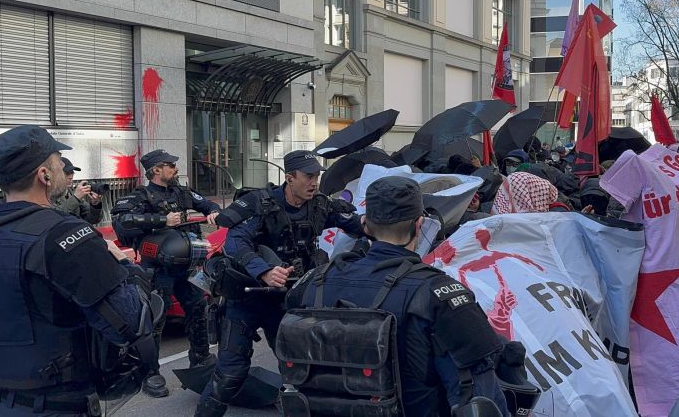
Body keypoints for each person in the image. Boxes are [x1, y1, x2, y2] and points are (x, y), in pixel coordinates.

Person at [0, 125, 159, 416]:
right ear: (45, 175)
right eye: (56, 159)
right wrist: (124, 266)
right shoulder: (63, 235)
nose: (62, 166)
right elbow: (131, 323)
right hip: (59, 405)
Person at [285, 176, 510, 416]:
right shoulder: (439, 293)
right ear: (420, 224)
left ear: (365, 226)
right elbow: (477, 399)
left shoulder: (314, 282)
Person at [195, 150, 363, 416]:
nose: (314, 182)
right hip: (247, 299)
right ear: (289, 178)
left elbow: (356, 225)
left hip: (288, 302)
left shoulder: (319, 205)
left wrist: (387, 223)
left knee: (300, 372)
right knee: (229, 376)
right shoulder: (261, 204)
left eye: (317, 176)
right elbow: (235, 243)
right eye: (308, 176)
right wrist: (263, 271)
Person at [111, 149, 221, 398]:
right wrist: (161, 220)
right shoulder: (142, 195)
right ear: (156, 170)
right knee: (155, 320)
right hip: (157, 269)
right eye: (170, 165)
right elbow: (122, 221)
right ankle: (150, 373)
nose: (175, 168)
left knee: (197, 310)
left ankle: (200, 360)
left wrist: (212, 211)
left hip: (186, 266)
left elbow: (206, 203)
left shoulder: (181, 192)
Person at [52, 157, 103, 224]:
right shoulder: (47, 194)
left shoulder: (70, 192)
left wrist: (95, 205)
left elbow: (92, 220)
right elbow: (53, 219)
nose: (71, 176)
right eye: (67, 172)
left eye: (72, 172)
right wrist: (76, 198)